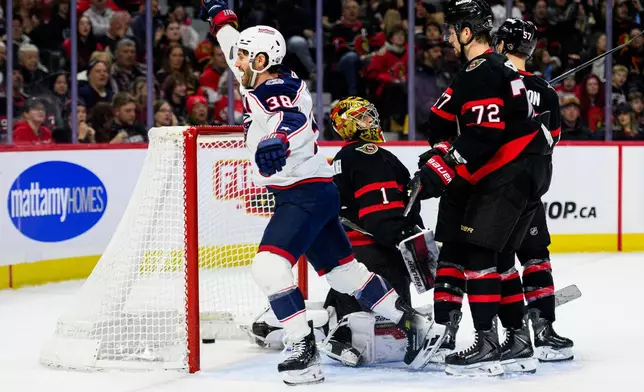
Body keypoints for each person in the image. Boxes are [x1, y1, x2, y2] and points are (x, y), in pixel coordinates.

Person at [199, 0, 443, 385]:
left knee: (268, 267)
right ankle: (416, 324)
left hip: (303, 195)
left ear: (262, 60)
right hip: (317, 190)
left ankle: (301, 346)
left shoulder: (276, 88)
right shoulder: (260, 74)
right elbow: (235, 51)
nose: (237, 62)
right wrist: (221, 20)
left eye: (245, 57)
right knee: (346, 275)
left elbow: (290, 118)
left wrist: (278, 138)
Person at [413, 0, 551, 376]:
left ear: (468, 32)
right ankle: (519, 341)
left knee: (478, 257)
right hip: (522, 179)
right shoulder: (497, 69)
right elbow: (445, 124)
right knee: (502, 259)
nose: (449, 37)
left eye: (453, 29)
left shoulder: (482, 70)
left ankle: (487, 344)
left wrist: (443, 164)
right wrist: (442, 150)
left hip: (504, 178)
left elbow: (483, 133)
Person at [320, 96, 438, 366]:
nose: (370, 121)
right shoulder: (366, 154)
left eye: (370, 115)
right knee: (393, 310)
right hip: (376, 252)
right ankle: (412, 331)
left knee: (348, 289)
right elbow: (381, 212)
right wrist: (404, 238)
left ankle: (340, 331)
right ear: (347, 125)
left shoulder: (344, 157)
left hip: (349, 254)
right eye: (362, 117)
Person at [492, 18, 574, 365]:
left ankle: (515, 333)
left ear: (500, 45)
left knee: (499, 263)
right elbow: (553, 139)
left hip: (495, 191)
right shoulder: (548, 91)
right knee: (536, 258)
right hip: (531, 189)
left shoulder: (488, 83)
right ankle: (544, 330)